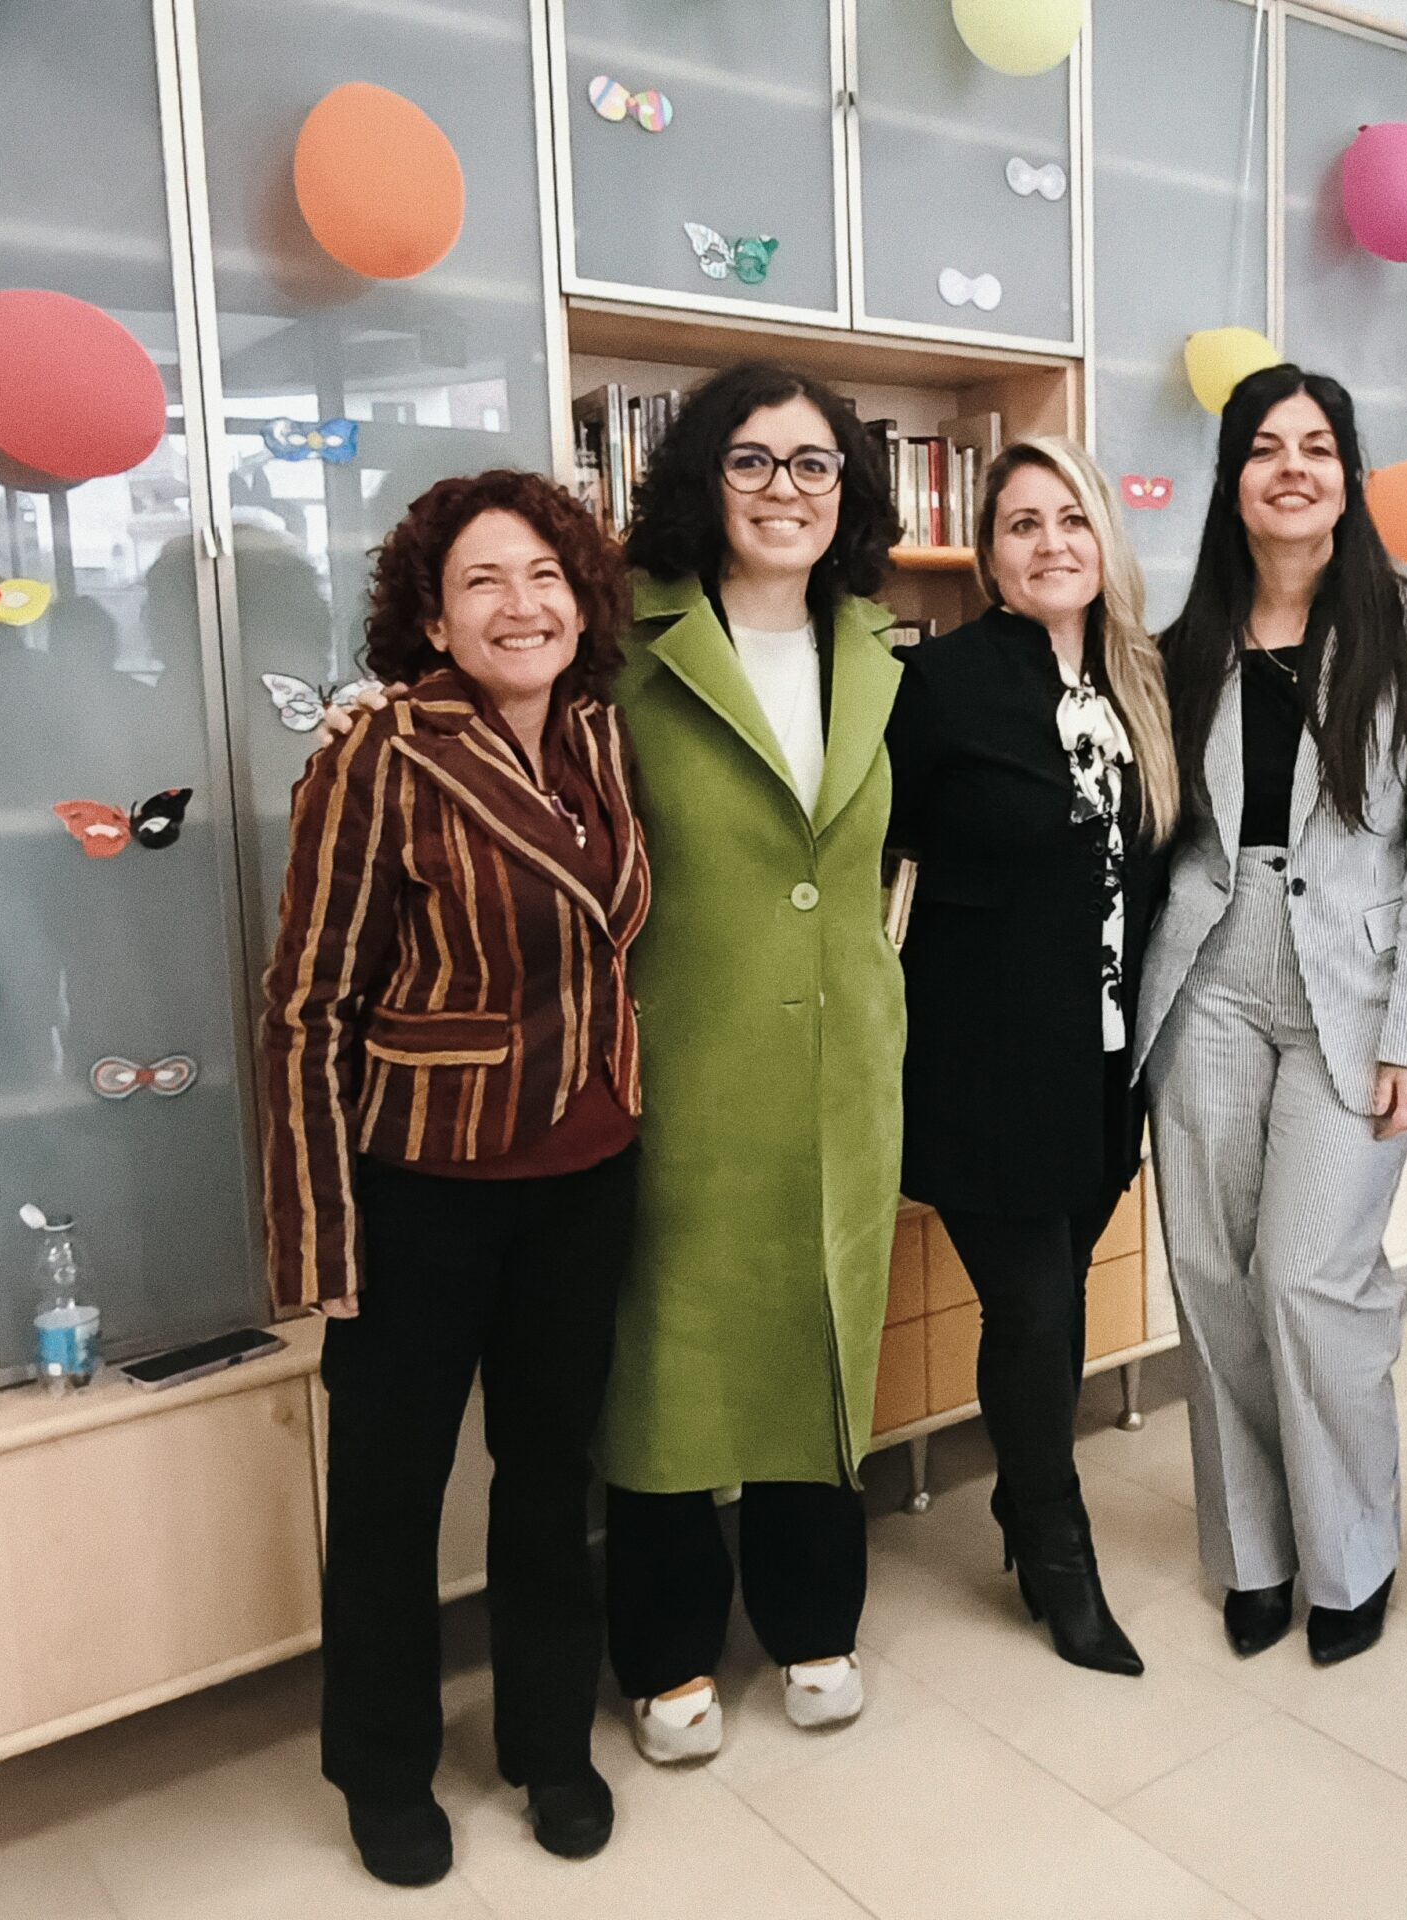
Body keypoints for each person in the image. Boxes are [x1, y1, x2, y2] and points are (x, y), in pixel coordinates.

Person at [261, 471, 648, 1886]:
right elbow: (306, 1007)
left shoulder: (601, 734)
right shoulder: (377, 753)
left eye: (545, 575)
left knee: (548, 1479)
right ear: (431, 618)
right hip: (421, 1188)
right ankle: (380, 1770)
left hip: (586, 1170)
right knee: (390, 1497)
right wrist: (318, 1237)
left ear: (582, 600)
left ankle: (550, 1743)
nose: (520, 605)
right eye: (483, 581)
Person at [1134, 363, 1407, 1668]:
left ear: (1348, 476)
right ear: (1233, 479)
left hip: (1356, 982)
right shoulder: (1184, 643)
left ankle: (1350, 1555)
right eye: (1266, 447)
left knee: (1308, 1277)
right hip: (1207, 977)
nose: (1293, 468)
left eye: (1318, 447)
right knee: (1214, 1277)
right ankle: (1255, 1554)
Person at [598, 363, 906, 1762]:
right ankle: (664, 1647)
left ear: (847, 491)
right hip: (684, 1055)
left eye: (814, 464)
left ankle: (812, 1618)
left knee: (822, 1335)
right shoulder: (628, 641)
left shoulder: (880, 649)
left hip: (844, 1063)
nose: (786, 490)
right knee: (668, 1357)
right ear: (702, 479)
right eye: (753, 461)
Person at [884, 437, 1179, 1675]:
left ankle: (1020, 1497)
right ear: (988, 555)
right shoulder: (937, 684)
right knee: (1033, 1308)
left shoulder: (1141, 683)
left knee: (1056, 1306)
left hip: (1106, 1067)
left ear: (1103, 535)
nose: (1050, 543)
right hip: (983, 1065)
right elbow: (872, 843)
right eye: (1020, 524)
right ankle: (1060, 1558)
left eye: (1070, 518)